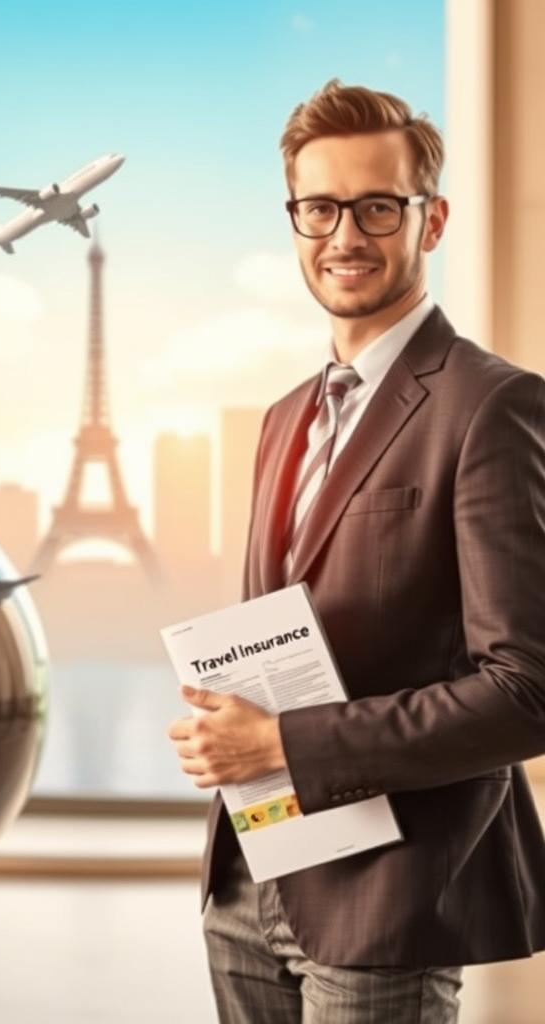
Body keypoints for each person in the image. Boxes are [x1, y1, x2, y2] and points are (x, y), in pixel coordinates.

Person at [166, 78, 545, 1023]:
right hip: (251, 884)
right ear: (293, 220)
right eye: (320, 208)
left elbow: (527, 691)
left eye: (378, 207)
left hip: (386, 901)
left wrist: (285, 745)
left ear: (433, 219)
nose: (345, 236)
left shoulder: (491, 406)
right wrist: (228, 729)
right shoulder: (283, 417)